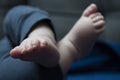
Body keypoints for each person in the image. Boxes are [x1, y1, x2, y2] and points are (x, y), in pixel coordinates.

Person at [0, 3, 104, 80]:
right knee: (13, 75)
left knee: (15, 14)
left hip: (10, 43)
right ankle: (70, 47)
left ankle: (39, 35)